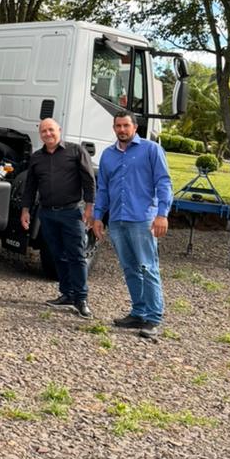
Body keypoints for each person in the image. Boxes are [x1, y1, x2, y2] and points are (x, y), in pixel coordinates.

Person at [92, 111, 173, 340]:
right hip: (117, 219)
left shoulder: (151, 150)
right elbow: (103, 188)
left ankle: (153, 318)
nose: (122, 130)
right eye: (118, 126)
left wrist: (162, 214)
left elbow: (164, 182)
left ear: (135, 127)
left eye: (126, 125)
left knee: (147, 267)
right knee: (130, 268)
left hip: (142, 219)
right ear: (114, 128)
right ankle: (138, 312)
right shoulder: (108, 155)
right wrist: (98, 217)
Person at [20, 118, 96, 318]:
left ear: (59, 130)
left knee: (76, 256)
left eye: (51, 130)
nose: (48, 134)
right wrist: (25, 210)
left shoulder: (76, 151)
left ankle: (81, 299)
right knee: (58, 255)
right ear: (40, 134)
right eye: (43, 131)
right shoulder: (37, 157)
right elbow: (30, 187)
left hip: (72, 213)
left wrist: (90, 207)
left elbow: (89, 180)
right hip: (47, 214)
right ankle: (67, 294)